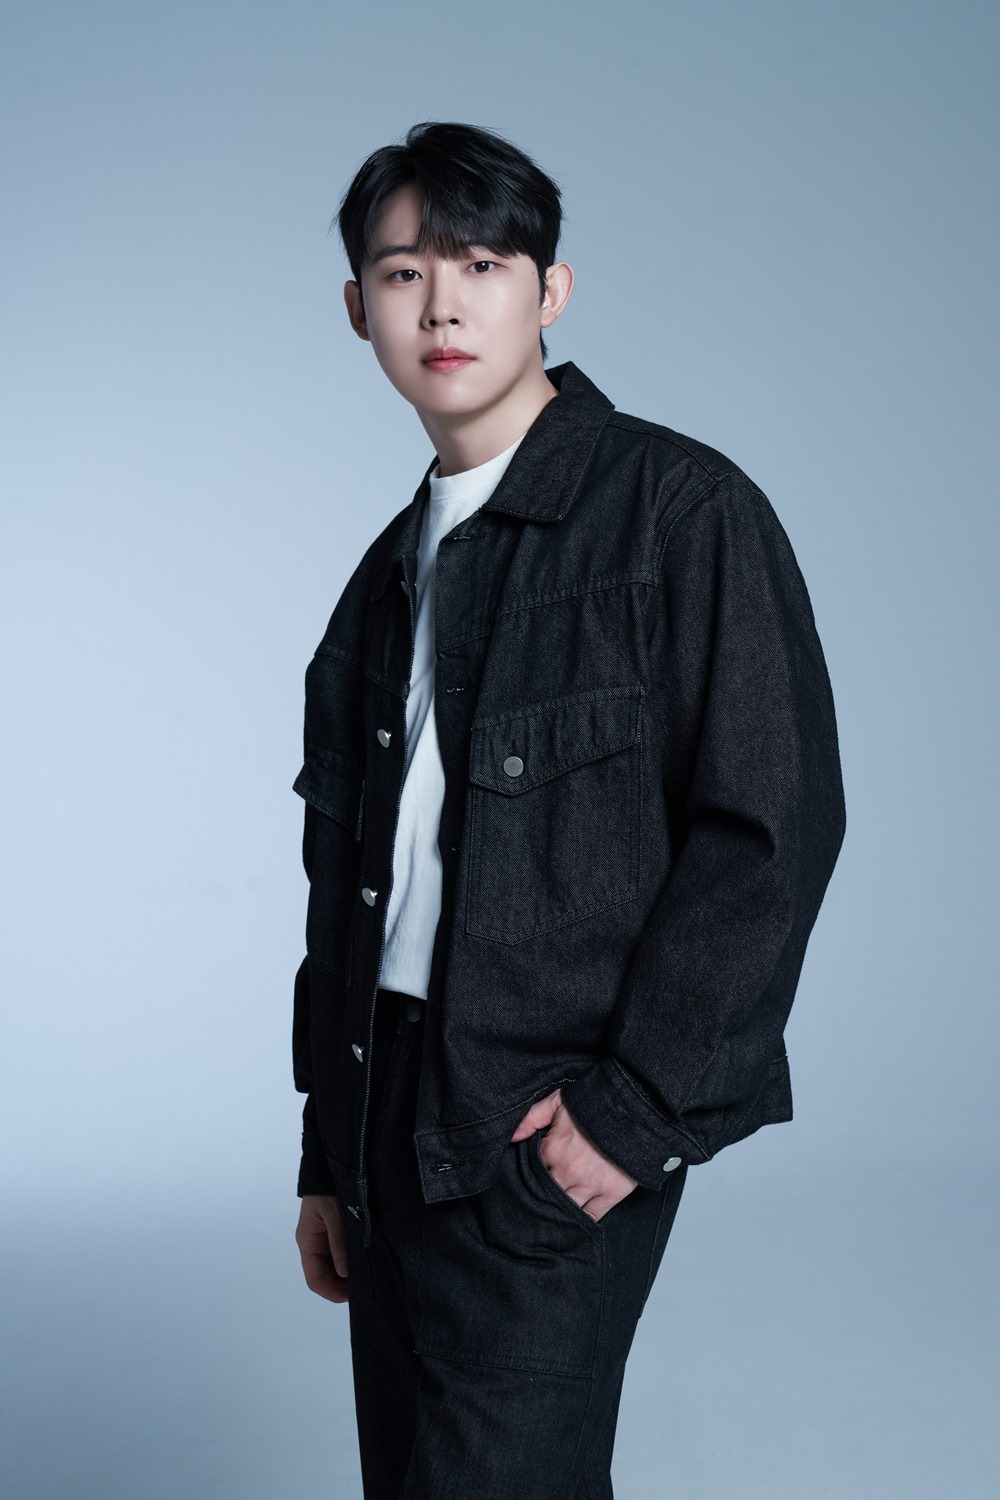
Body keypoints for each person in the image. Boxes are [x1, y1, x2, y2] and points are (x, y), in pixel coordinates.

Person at [292, 120, 846, 1499]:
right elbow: (350, 887)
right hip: (383, 1115)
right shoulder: (384, 581)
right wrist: (325, 1153)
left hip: (537, 1123)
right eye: (405, 272)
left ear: (552, 290)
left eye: (482, 264)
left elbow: (771, 831)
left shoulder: (680, 513)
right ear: (358, 309)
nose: (444, 305)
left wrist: (634, 1111)